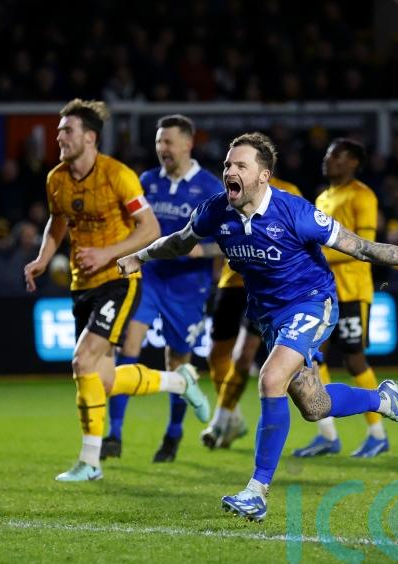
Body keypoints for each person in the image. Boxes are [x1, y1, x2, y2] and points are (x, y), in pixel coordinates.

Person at [118, 132, 398, 521]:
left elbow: (361, 247)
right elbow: (179, 241)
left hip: (313, 303)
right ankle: (384, 402)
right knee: (315, 406)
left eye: (240, 165)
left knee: (270, 378)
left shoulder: (296, 213)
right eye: (227, 164)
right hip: (268, 315)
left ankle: (256, 492)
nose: (229, 170)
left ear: (263, 177)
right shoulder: (216, 211)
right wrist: (139, 256)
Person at [23, 99, 208, 482]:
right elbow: (58, 222)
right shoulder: (56, 178)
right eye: (59, 130)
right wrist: (43, 258)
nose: (59, 136)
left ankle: (91, 460)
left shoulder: (118, 175)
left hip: (120, 280)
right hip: (82, 284)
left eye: (67, 130)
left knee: (82, 362)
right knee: (103, 378)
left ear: (90, 137)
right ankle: (180, 381)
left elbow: (150, 230)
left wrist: (107, 253)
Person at [102, 114, 223, 463]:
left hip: (188, 286)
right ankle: (115, 433)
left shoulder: (211, 187)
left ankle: (173, 434)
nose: (162, 149)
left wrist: (205, 250)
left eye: (168, 142)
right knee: (128, 344)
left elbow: (230, 241)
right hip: (150, 278)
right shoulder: (147, 181)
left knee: (178, 360)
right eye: (158, 142)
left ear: (188, 143)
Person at [293, 138, 389, 458]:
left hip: (351, 291)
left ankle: (377, 433)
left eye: (335, 156)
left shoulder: (362, 195)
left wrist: (316, 258)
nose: (328, 160)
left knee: (353, 358)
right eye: (327, 155)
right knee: (312, 358)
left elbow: (365, 247)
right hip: (322, 293)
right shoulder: (322, 197)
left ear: (352, 162)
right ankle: (327, 435)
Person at [202, 176, 303, 450]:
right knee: (216, 355)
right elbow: (217, 230)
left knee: (243, 355)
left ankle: (220, 420)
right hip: (230, 282)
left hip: (264, 285)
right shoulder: (229, 194)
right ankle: (233, 416)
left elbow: (300, 237)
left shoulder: (289, 192)